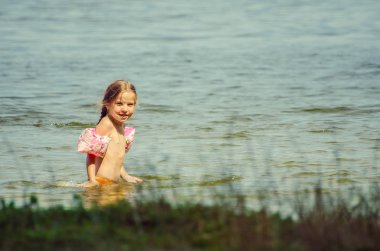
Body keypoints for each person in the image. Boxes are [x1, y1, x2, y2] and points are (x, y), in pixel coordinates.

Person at [77, 80, 143, 187]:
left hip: (112, 183)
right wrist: (92, 180)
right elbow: (91, 154)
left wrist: (126, 176)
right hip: (102, 182)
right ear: (107, 103)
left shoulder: (121, 126)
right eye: (119, 104)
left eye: (130, 104)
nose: (125, 109)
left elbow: (117, 159)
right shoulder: (106, 124)